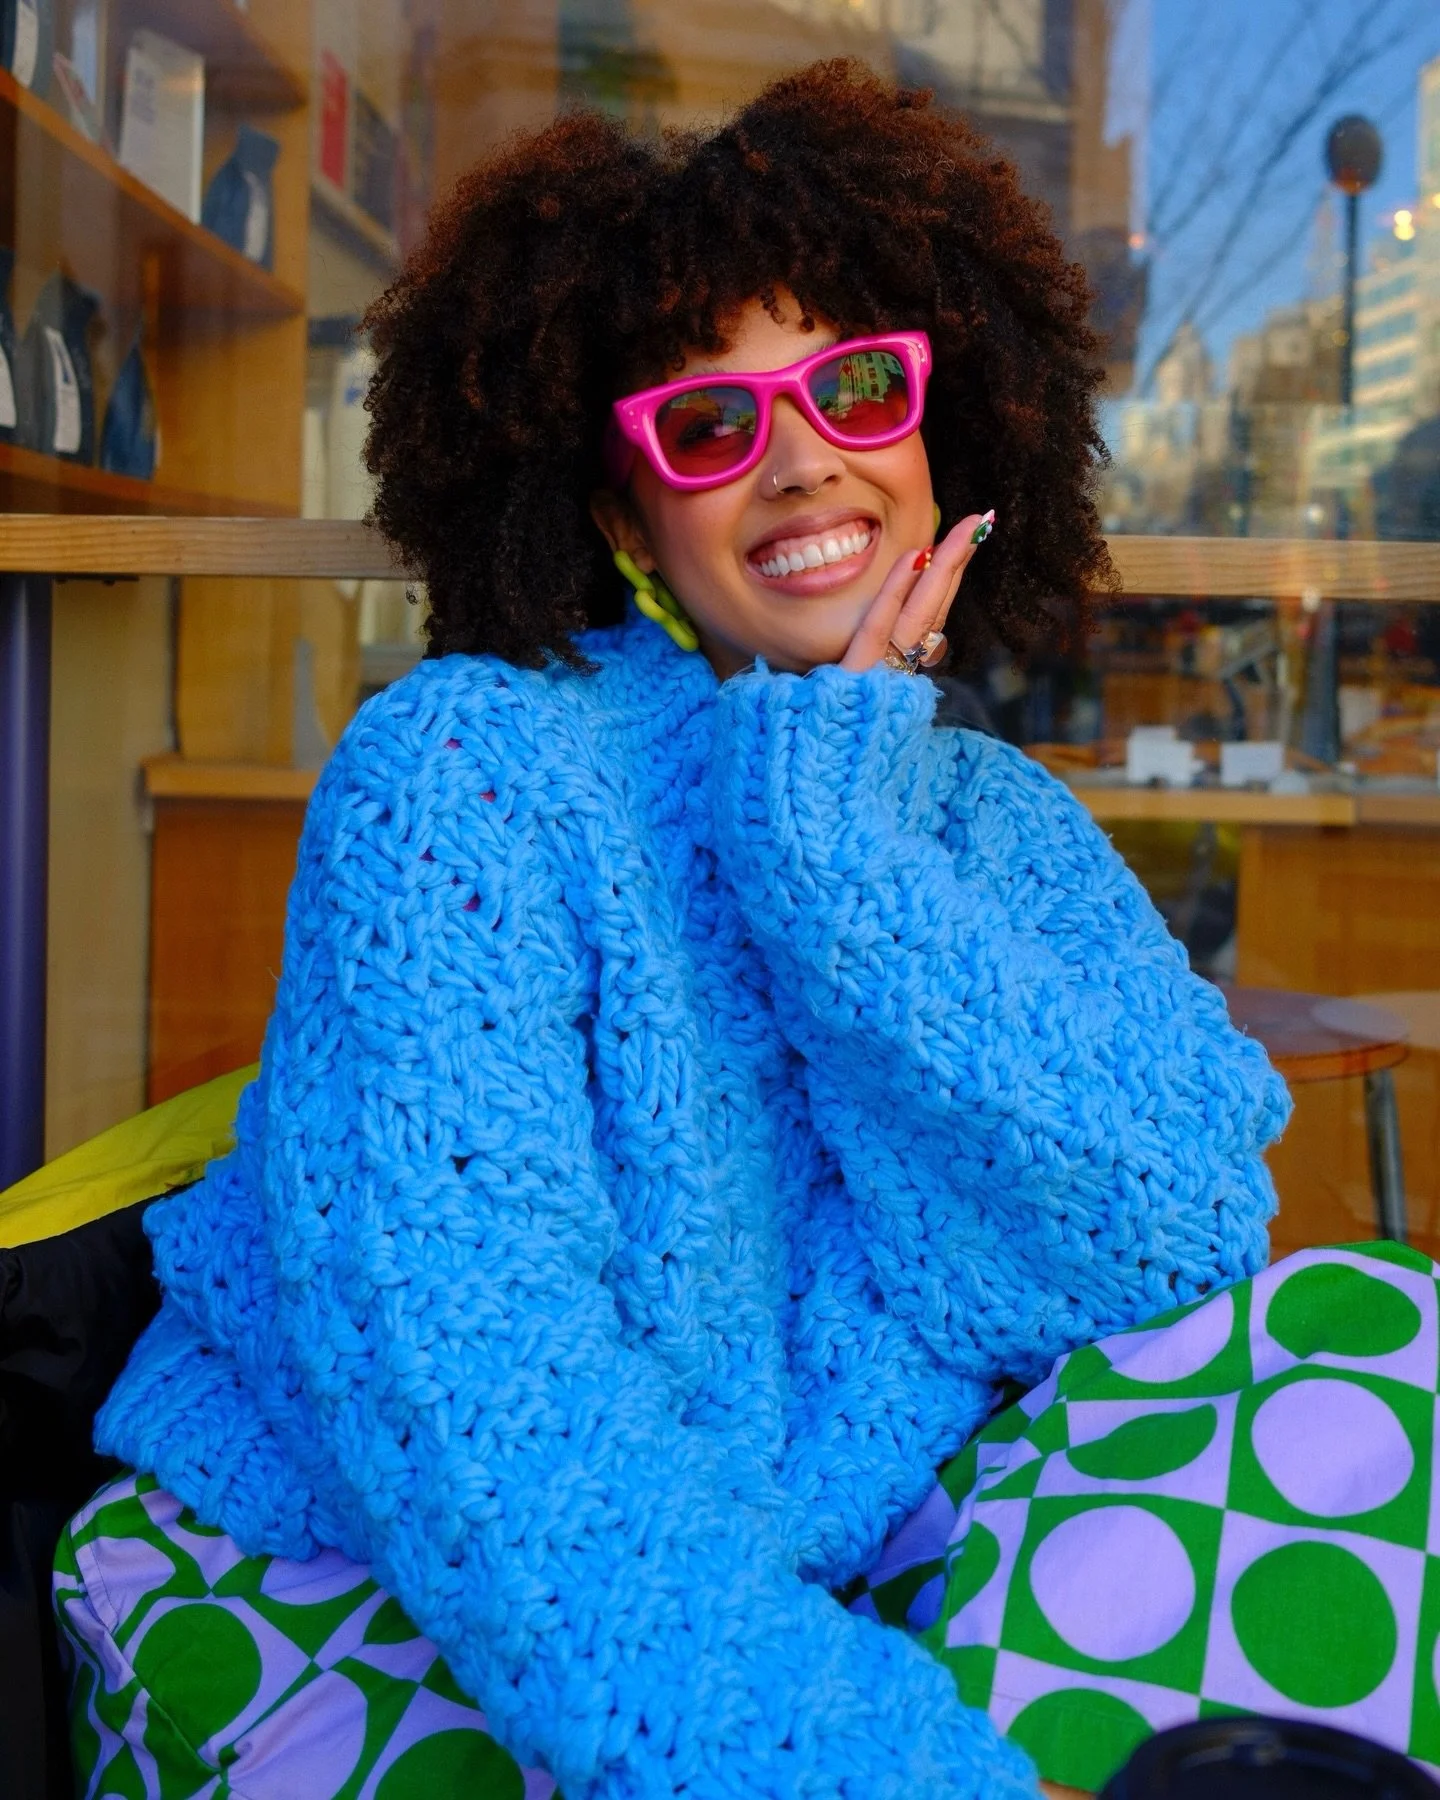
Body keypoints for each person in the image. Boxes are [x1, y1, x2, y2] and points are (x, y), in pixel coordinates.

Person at [56, 61, 1290, 1800]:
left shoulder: (991, 820)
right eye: (707, 426)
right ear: (628, 513)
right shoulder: (467, 775)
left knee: (1368, 1338)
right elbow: (476, 1394)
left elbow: (1179, 1234)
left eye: (858, 388)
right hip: (348, 1557)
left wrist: (833, 850)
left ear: (946, 436)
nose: (796, 460)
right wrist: (872, 1766)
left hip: (801, 1532)